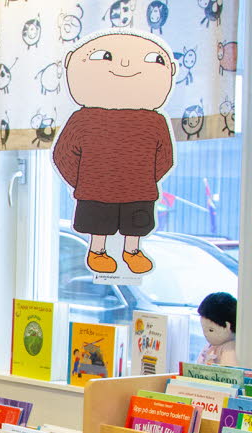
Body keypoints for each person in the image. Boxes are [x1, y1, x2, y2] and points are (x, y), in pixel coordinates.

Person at [53, 30, 177, 275]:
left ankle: (132, 250)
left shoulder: (154, 121)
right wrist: (83, 181)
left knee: (137, 223)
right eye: (104, 56)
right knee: (98, 221)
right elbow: (63, 154)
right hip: (96, 191)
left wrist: (145, 178)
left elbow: (165, 157)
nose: (125, 64)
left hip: (138, 190)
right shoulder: (83, 119)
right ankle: (97, 250)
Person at [197, 291, 237, 366]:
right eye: (203, 329)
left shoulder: (230, 349)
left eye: (211, 330)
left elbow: (228, 374)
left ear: (227, 326)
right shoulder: (210, 347)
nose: (205, 334)